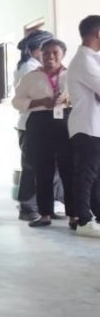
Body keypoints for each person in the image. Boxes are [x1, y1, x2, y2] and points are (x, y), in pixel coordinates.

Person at [13, 39, 74, 228]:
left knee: (69, 169)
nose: (50, 57)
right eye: (46, 53)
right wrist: (41, 102)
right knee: (42, 169)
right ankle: (45, 214)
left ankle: (74, 215)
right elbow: (17, 102)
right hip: (39, 124)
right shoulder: (31, 77)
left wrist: (68, 101)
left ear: (63, 54)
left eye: (55, 53)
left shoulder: (71, 75)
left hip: (67, 122)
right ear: (40, 54)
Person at [65, 16, 100, 237]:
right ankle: (83, 220)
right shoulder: (84, 61)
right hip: (87, 126)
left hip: (93, 126)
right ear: (98, 33)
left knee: (96, 176)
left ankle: (94, 216)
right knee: (86, 175)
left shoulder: (92, 59)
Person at [13, 29, 51, 221]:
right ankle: (27, 207)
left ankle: (43, 206)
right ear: (37, 50)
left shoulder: (32, 65)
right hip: (30, 123)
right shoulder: (29, 68)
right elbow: (27, 98)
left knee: (39, 165)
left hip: (36, 123)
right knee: (31, 166)